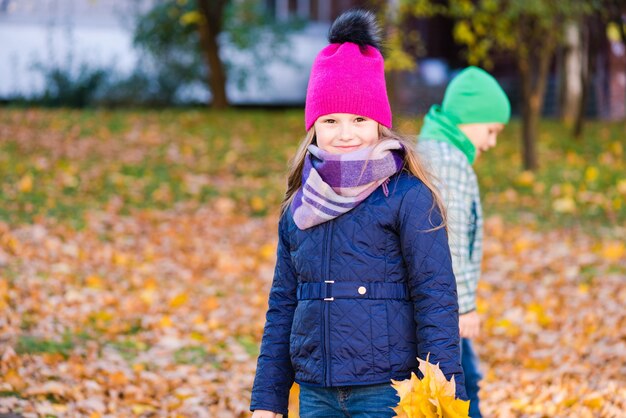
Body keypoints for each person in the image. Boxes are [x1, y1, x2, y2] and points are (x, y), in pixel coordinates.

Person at [250, 9, 466, 418]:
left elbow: (435, 296)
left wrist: (442, 395)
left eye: (359, 119)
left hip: (387, 391)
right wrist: (268, 399)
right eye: (330, 120)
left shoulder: (407, 196)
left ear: (379, 124)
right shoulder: (301, 204)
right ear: (313, 126)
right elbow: (282, 304)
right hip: (317, 392)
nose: (345, 133)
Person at [417, 66, 511, 418]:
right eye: (491, 130)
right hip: (446, 304)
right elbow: (450, 241)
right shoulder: (449, 162)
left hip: (435, 300)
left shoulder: (434, 151)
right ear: (469, 119)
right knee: (461, 387)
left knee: (456, 383)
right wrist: (465, 306)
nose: (491, 142)